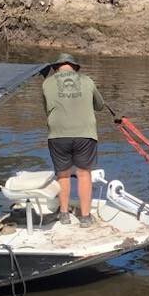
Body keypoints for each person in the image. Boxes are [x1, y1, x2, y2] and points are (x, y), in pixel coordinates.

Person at [42, 53, 105, 228]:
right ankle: (85, 217)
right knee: (84, 174)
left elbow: (46, 109)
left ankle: (63, 214)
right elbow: (100, 106)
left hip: (57, 135)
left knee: (63, 174)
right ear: (75, 67)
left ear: (56, 67)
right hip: (85, 134)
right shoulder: (87, 80)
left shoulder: (47, 82)